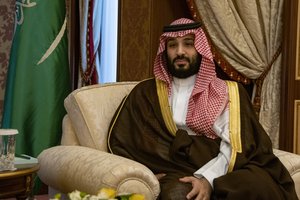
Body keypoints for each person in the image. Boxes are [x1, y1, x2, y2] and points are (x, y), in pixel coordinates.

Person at [108, 18, 298, 200]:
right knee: (179, 194)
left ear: (200, 48)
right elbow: (124, 140)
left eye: (188, 44)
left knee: (256, 186)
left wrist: (206, 178)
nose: (180, 52)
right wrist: (144, 174)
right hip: (173, 167)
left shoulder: (226, 92)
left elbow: (234, 145)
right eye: (173, 45)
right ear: (164, 50)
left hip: (222, 166)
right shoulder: (146, 92)